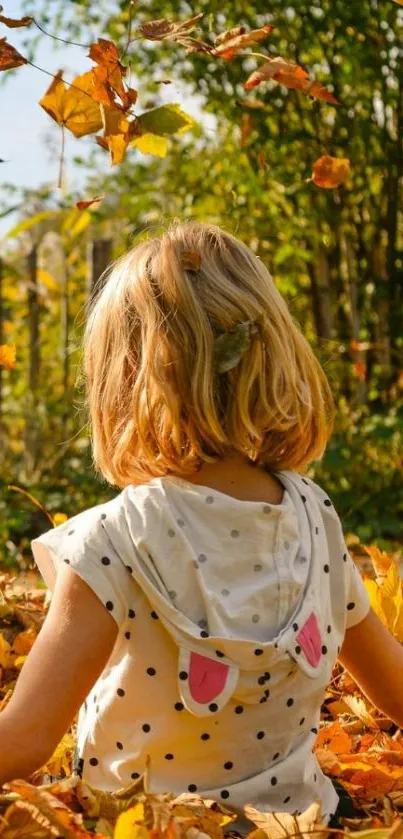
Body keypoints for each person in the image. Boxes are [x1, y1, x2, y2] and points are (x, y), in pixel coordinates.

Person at [0, 222, 402, 829]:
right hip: (300, 821)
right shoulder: (315, 517)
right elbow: (396, 692)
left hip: (145, 826)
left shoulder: (113, 541)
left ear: (126, 379)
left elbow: (26, 738)